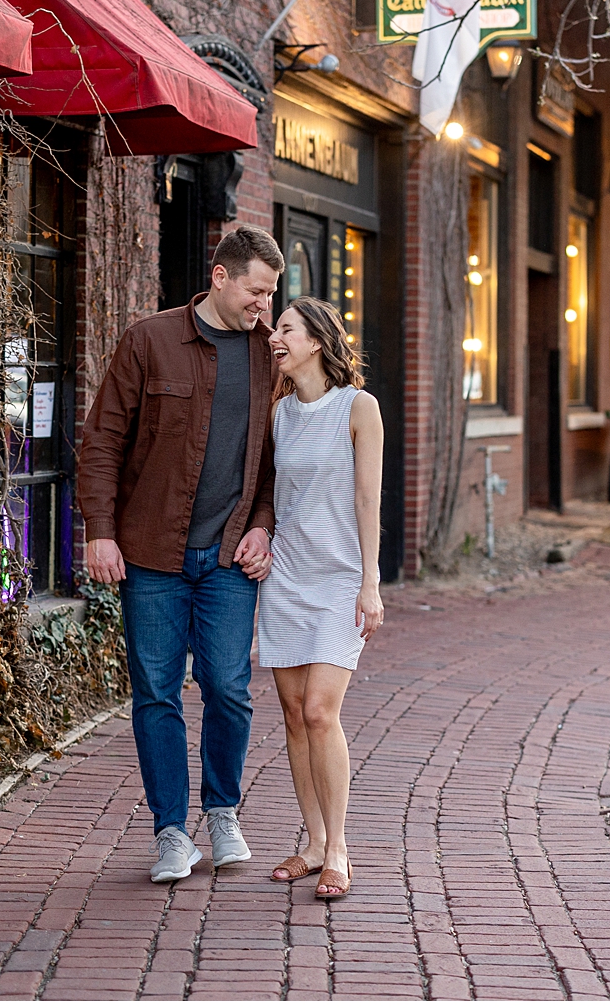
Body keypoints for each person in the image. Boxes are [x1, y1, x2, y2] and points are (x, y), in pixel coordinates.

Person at [78, 224, 283, 883]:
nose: (264, 305)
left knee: (228, 687)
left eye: (271, 293)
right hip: (150, 554)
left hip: (229, 558)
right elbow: (103, 439)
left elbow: (283, 456)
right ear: (220, 276)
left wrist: (263, 524)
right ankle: (171, 831)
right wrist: (100, 529)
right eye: (256, 290)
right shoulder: (149, 340)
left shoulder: (269, 355)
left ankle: (222, 811)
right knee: (156, 693)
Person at [256, 297, 384, 901]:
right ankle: (310, 843)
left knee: (319, 711)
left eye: (285, 329)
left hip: (338, 580)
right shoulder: (278, 414)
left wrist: (371, 582)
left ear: (315, 342)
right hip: (286, 577)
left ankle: (338, 848)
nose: (274, 336)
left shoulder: (360, 409)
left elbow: (367, 502)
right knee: (291, 714)